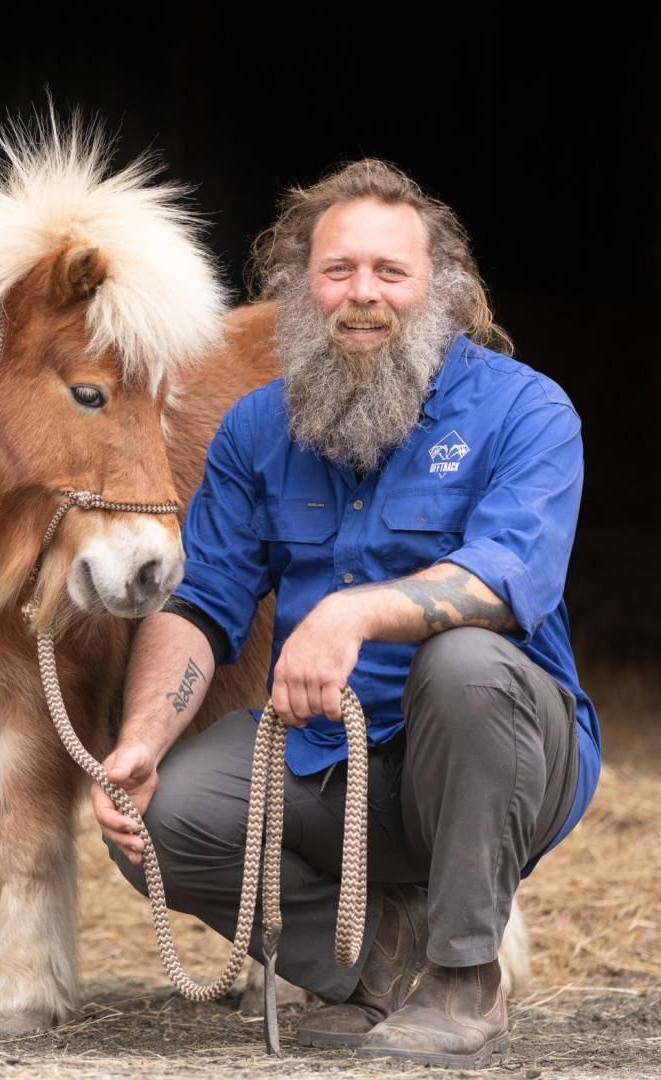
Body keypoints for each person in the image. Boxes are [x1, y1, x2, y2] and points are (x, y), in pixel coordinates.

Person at [90, 159, 600, 1069]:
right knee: (156, 819)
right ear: (296, 288)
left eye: (389, 272)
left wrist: (356, 613)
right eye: (337, 271)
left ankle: (465, 977)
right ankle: (376, 957)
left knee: (465, 663)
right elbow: (202, 602)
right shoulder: (256, 428)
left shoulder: (527, 410)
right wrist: (140, 739)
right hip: (331, 760)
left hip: (502, 752)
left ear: (441, 288)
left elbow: (505, 577)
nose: (362, 295)